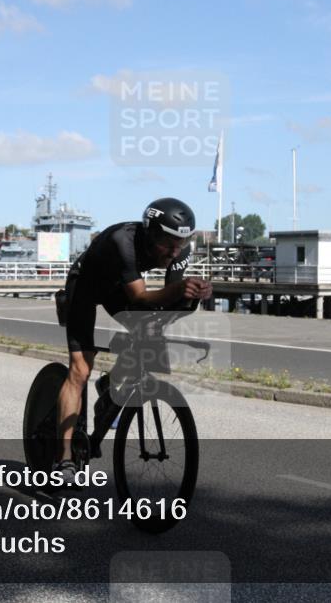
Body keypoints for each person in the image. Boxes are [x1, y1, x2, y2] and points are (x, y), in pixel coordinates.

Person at [55, 197, 212, 482]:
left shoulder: (179, 249)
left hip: (119, 290)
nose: (175, 250)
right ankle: (64, 460)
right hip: (87, 286)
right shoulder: (122, 240)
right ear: (151, 233)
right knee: (80, 370)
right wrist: (179, 290)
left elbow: (165, 306)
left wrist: (192, 298)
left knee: (151, 329)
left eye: (181, 242)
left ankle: (110, 385)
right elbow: (140, 296)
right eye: (167, 242)